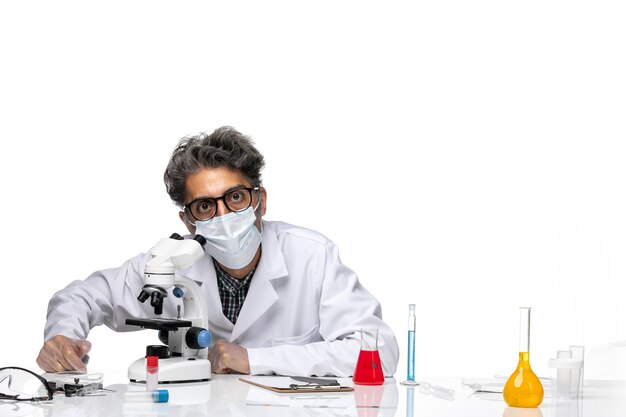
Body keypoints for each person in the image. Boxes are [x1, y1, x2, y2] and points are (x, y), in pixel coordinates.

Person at [37, 126, 399, 377]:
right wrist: (63, 337)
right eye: (206, 206)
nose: (224, 215)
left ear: (261, 201)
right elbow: (79, 296)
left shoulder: (312, 256)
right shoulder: (170, 263)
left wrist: (254, 359)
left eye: (236, 197)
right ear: (189, 221)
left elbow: (379, 351)